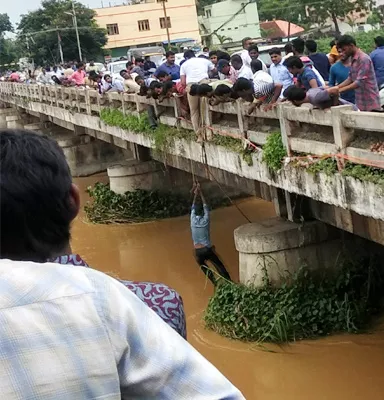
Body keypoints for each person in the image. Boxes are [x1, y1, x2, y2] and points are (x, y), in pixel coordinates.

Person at [0, 131, 243, 399]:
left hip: (204, 249)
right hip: (202, 251)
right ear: (73, 201)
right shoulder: (150, 301)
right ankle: (224, 281)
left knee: (214, 266)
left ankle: (224, 281)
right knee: (211, 265)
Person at [190, 183, 232, 283]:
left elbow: (193, 206)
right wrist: (201, 192)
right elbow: (205, 205)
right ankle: (229, 282)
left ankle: (214, 283)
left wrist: (196, 194)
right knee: (219, 265)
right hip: (207, 249)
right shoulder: (206, 219)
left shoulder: (192, 220)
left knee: (204, 267)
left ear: (195, 212)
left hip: (198, 251)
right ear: (202, 212)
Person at [328, 35, 380, 112]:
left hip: (370, 101)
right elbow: (351, 78)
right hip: (360, 102)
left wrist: (339, 90)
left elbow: (358, 82)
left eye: (344, 49)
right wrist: (336, 88)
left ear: (351, 46)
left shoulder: (363, 59)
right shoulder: (353, 58)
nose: (343, 52)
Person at [179, 49, 215, 135]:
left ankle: (199, 134)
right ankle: (208, 132)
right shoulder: (205, 61)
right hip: (204, 83)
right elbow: (215, 70)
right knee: (205, 108)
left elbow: (183, 82)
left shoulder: (184, 65)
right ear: (194, 55)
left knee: (194, 111)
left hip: (192, 86)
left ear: (186, 57)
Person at [284, 85, 356, 110]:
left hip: (350, 110)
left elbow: (335, 90)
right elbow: (326, 87)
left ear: (295, 101)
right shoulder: (311, 91)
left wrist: (334, 105)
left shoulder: (316, 97)